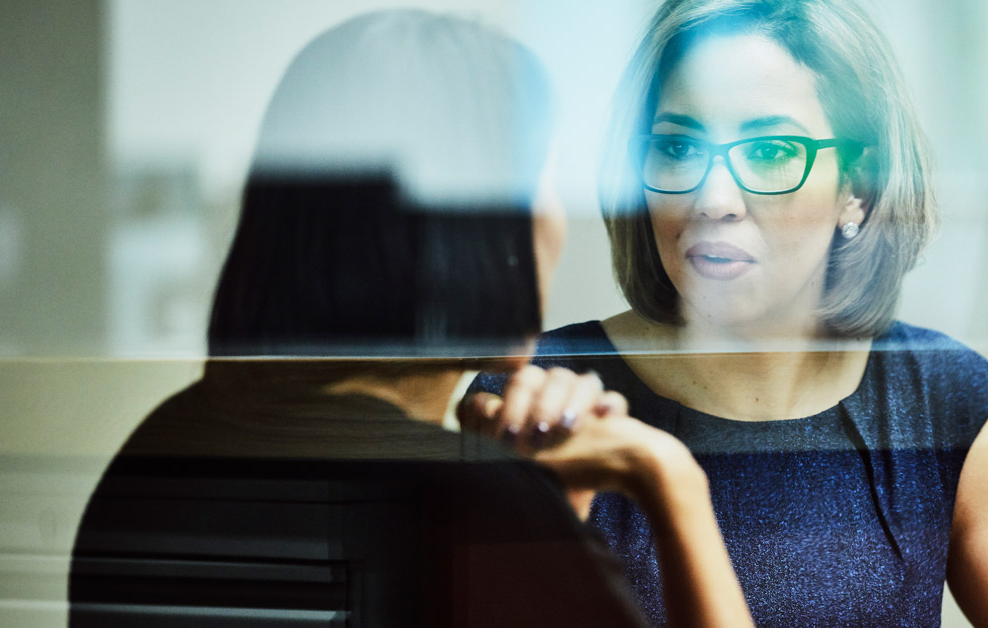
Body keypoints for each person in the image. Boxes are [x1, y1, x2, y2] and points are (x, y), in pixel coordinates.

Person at [70, 11, 751, 628]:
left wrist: (550, 512)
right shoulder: (456, 498)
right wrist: (670, 480)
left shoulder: (164, 447)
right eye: (541, 172)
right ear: (474, 221)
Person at [468, 0, 988, 626]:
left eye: (767, 153)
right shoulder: (537, 402)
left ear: (858, 185)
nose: (713, 199)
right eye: (679, 147)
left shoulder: (944, 401)